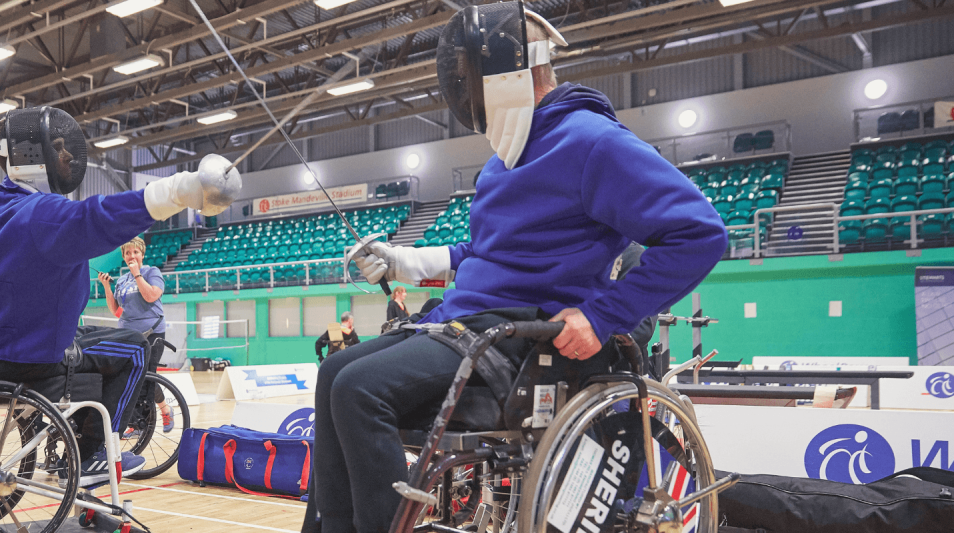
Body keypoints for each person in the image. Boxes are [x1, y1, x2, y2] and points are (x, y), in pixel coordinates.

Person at [302, 4, 728, 532]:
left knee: (359, 388)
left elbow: (701, 233)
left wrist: (603, 317)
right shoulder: (505, 158)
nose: (464, 93)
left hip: (519, 338)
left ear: (509, 74)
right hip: (468, 323)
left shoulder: (592, 141)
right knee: (332, 373)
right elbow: (489, 252)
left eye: (470, 79)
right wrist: (404, 260)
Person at [0, 105, 240, 487]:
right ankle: (94, 452)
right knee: (132, 348)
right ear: (30, 155)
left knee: (90, 339)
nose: (66, 156)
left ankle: (77, 432)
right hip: (30, 359)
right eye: (58, 147)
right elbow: (99, 217)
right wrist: (178, 190)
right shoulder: (41, 212)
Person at [99, 236, 176, 436]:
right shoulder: (122, 280)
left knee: (145, 377)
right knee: (130, 376)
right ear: (124, 256)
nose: (132, 255)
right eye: (127, 253)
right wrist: (107, 287)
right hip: (128, 333)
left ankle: (140, 422)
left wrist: (137, 275)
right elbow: (116, 311)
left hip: (152, 332)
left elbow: (151, 296)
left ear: (142, 254)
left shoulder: (152, 272)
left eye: (135, 252)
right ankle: (165, 409)